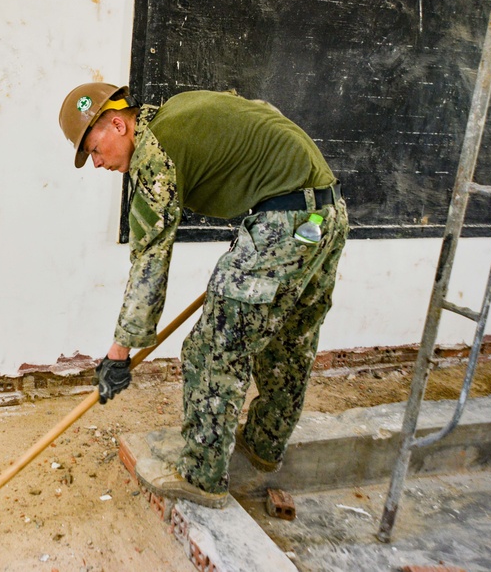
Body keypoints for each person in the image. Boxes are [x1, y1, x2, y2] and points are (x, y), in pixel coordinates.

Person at [57, 83, 348, 508]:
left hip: (284, 222)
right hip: (328, 214)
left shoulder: (155, 153)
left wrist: (119, 353)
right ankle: (264, 446)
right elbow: (259, 113)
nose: (98, 163)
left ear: (118, 124)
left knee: (213, 349)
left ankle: (201, 473)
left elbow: (150, 259)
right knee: (288, 340)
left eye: (96, 149)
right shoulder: (181, 110)